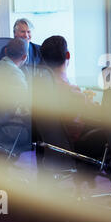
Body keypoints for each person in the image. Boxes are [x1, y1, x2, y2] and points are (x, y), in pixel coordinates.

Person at [39, 36, 104, 164]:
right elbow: (99, 112)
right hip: (75, 146)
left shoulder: (41, 89)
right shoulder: (71, 91)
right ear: (68, 55)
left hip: (51, 145)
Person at [0, 38, 32, 154]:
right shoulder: (16, 74)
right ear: (24, 57)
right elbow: (26, 109)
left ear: (5, 51)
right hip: (9, 129)